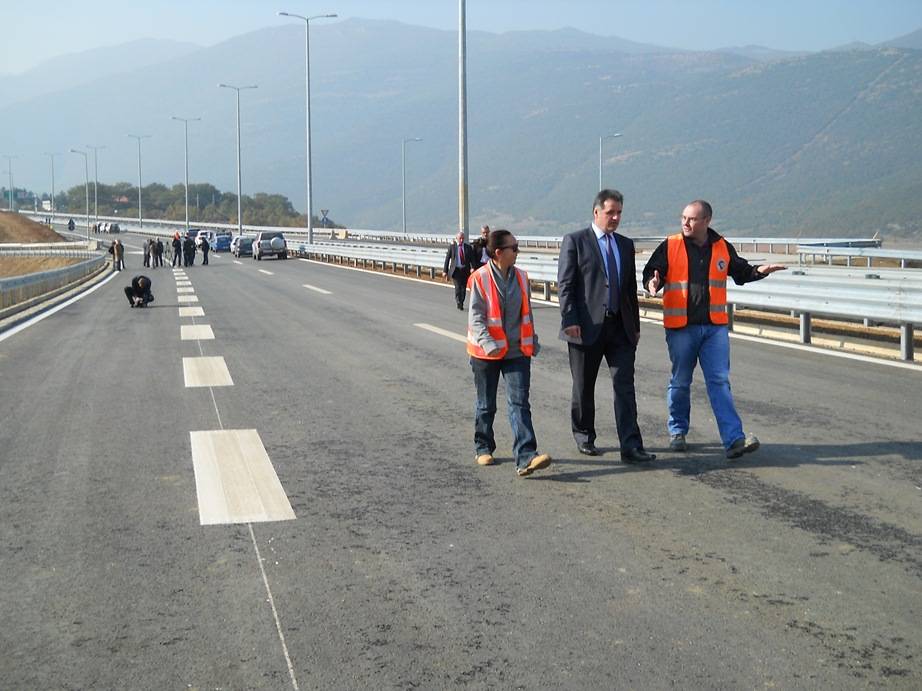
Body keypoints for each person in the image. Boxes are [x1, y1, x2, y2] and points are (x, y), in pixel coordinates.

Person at [643, 200, 787, 459]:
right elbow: (652, 272)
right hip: (681, 328)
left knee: (719, 382)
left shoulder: (721, 246)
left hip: (714, 328)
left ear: (706, 221)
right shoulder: (671, 244)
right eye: (683, 217)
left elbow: (741, 272)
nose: (686, 223)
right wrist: (653, 282)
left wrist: (760, 271)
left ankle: (734, 440)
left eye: (692, 219)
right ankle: (677, 432)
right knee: (680, 382)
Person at [557, 189, 655, 464]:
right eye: (611, 212)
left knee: (625, 386)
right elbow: (566, 285)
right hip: (585, 327)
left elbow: (629, 290)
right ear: (596, 212)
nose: (615, 217)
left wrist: (634, 325)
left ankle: (631, 446)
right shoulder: (576, 241)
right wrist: (570, 320)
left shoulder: (624, 244)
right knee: (583, 386)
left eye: (619, 212)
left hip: (620, 327)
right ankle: (584, 435)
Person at [468, 229, 551, 478]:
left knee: (519, 403)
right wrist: (490, 344)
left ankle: (526, 457)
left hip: (516, 351)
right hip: (486, 353)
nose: (517, 252)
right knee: (486, 404)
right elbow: (476, 319)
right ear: (498, 253)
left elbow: (526, 313)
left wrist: (532, 340)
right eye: (514, 248)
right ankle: (483, 446)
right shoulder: (480, 278)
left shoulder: (522, 277)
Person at [443, 231, 475, 310]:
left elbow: (472, 259)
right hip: (456, 270)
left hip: (465, 270)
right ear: (456, 238)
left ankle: (462, 301)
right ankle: (458, 302)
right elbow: (447, 259)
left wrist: (472, 267)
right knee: (458, 287)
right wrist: (445, 271)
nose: (461, 240)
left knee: (463, 288)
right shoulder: (452, 247)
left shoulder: (468, 247)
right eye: (460, 238)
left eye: (462, 238)